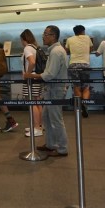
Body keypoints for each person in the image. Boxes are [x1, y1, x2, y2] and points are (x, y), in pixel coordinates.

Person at [24, 26, 69, 157]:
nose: (43, 36)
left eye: (45, 34)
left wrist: (31, 75)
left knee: (56, 119)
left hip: (55, 89)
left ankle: (62, 148)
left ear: (53, 36)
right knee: (47, 117)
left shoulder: (56, 52)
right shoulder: (55, 50)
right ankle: (50, 144)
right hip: (51, 89)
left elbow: (49, 75)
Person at [65, 25, 93, 117]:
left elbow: (67, 51)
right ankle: (85, 105)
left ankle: (79, 108)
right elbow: (90, 49)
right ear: (83, 31)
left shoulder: (69, 39)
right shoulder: (87, 38)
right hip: (85, 64)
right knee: (86, 87)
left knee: (76, 87)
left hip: (73, 64)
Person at [20, 29, 43, 137]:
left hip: (31, 79)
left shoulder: (27, 48)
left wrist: (27, 74)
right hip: (37, 78)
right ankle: (38, 125)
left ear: (23, 39)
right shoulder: (35, 47)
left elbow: (32, 62)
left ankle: (37, 128)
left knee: (32, 102)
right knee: (37, 101)